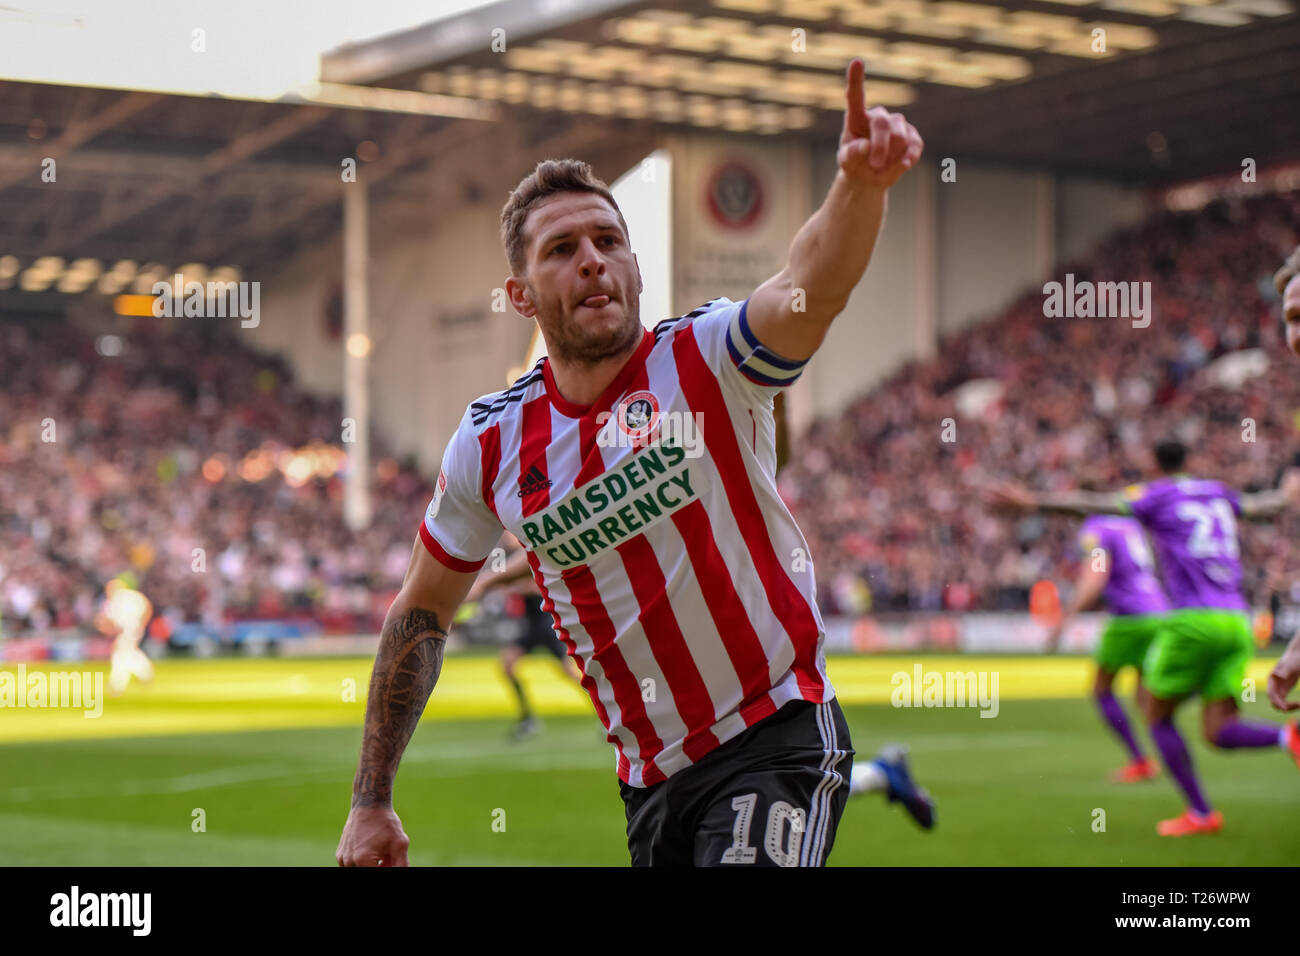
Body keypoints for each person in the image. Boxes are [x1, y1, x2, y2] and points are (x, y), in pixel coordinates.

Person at [337, 57, 924, 867]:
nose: (593, 260)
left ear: (637, 265)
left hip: (776, 736)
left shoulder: (708, 358)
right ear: (520, 295)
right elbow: (421, 614)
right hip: (650, 784)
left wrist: (859, 188)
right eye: (562, 249)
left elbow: (811, 285)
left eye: (610, 241)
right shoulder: (490, 444)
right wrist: (371, 800)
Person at [991, 439, 1300, 836]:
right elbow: (1263, 509)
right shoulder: (1216, 491)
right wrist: (1286, 495)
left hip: (1186, 621)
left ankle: (1197, 809)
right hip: (1238, 620)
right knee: (1218, 729)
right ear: (1190, 460)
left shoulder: (1148, 500)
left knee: (1152, 712)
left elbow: (1091, 505)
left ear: (1153, 463)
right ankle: (1287, 735)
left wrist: (1033, 502)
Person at [1048, 514, 1167, 783]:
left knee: (1102, 688)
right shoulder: (1130, 524)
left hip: (1130, 618)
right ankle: (1166, 757)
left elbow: (1096, 577)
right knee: (1144, 695)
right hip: (1158, 611)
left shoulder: (1096, 529)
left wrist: (1065, 619)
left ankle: (1140, 760)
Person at [465, 537, 583, 740]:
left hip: (545, 622)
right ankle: (527, 717)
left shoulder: (531, 553)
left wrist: (510, 586)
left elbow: (545, 585)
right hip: (532, 624)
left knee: (568, 671)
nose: (505, 537)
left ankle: (604, 711)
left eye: (508, 533)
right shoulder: (510, 557)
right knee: (508, 666)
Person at [96, 574, 155, 698]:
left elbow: (110, 620)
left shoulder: (116, 600)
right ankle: (144, 672)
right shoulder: (134, 596)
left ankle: (118, 684)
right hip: (135, 629)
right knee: (128, 653)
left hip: (125, 630)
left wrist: (106, 628)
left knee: (120, 655)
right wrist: (142, 623)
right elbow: (148, 607)